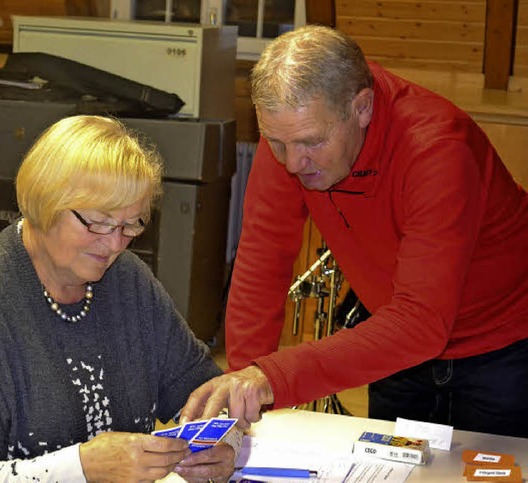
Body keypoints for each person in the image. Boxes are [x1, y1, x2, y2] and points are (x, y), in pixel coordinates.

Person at [180, 25, 528, 438]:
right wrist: (243, 387)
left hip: (505, 346)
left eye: (311, 143)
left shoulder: (436, 150)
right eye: (276, 143)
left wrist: (271, 377)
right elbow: (261, 260)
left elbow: (421, 322)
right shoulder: (295, 133)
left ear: (362, 108)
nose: (293, 164)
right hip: (395, 344)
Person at [0, 115, 236, 481]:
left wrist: (221, 445)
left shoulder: (126, 281)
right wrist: (82, 469)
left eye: (131, 224)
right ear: (46, 203)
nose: (115, 243)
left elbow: (202, 392)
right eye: (98, 222)